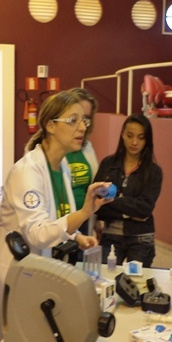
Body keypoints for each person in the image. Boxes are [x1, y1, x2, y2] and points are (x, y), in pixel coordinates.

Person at [0, 90, 112, 342]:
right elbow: (38, 233)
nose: (82, 127)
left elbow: (56, 218)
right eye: (73, 120)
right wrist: (86, 211)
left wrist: (77, 238)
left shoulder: (62, 168)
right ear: (50, 126)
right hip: (12, 274)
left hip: (37, 269)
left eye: (83, 121)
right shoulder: (28, 171)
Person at [93, 113, 162, 268]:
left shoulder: (154, 171)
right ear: (122, 134)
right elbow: (97, 205)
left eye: (141, 137)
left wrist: (112, 200)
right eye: (130, 135)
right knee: (105, 281)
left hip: (141, 238)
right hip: (110, 236)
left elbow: (144, 209)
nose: (134, 142)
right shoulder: (108, 165)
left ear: (147, 140)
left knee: (135, 284)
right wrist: (129, 210)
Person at [66, 87, 99, 237]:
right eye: (75, 118)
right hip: (57, 223)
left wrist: (96, 221)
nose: (81, 125)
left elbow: (92, 186)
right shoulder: (45, 153)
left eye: (86, 118)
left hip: (83, 221)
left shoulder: (87, 148)